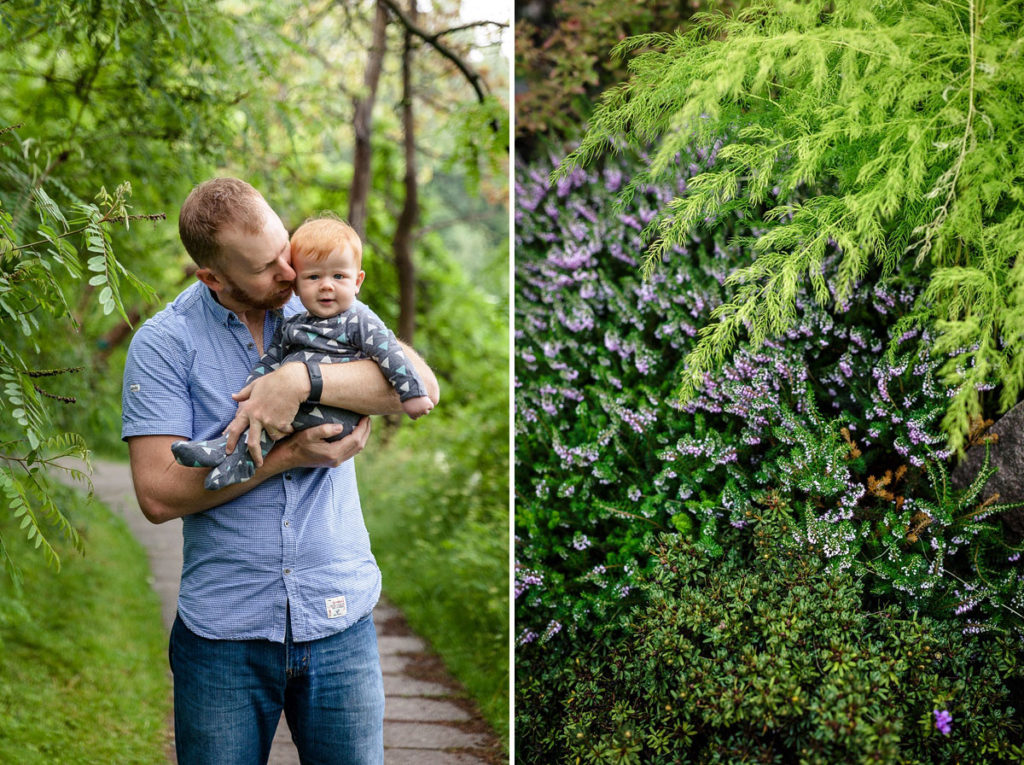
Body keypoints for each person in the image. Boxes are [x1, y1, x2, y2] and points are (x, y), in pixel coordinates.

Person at [121, 177, 439, 765]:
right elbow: (157, 494)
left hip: (338, 612)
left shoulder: (321, 288)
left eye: (283, 251)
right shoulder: (164, 343)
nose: (290, 275)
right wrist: (288, 457)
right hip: (225, 629)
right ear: (212, 278)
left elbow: (419, 382)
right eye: (268, 267)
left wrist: (301, 380)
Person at [170, 215, 434, 490]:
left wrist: (412, 394)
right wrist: (253, 391)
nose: (327, 285)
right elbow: (271, 359)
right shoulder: (294, 323)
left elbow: (390, 354)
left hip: (335, 417)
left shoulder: (359, 320)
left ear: (358, 281)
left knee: (275, 417)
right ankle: (226, 451)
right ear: (296, 285)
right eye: (313, 277)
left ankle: (236, 458)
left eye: (339, 276)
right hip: (303, 409)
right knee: (264, 412)